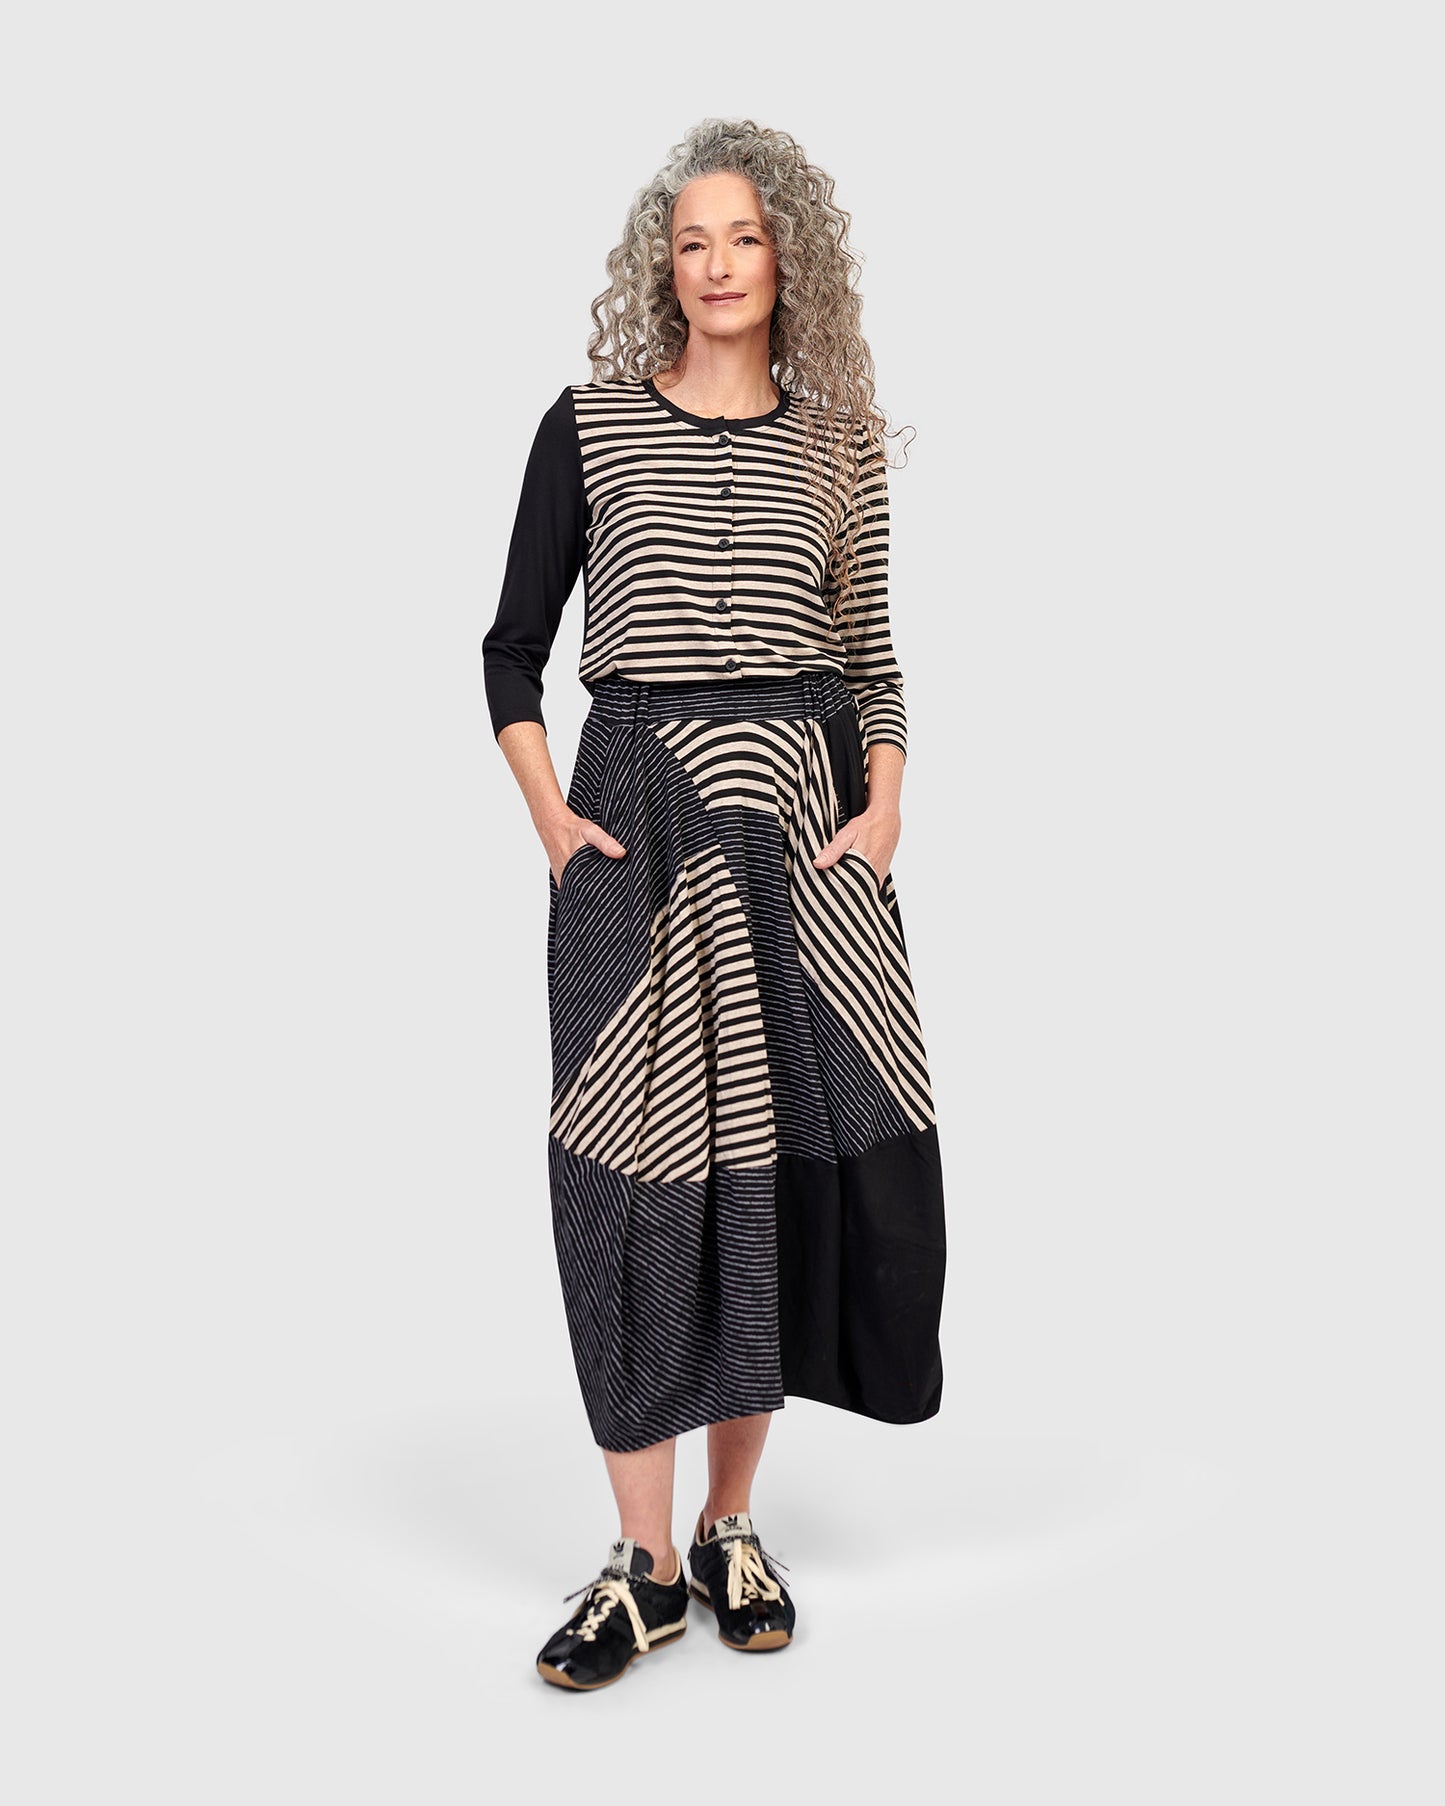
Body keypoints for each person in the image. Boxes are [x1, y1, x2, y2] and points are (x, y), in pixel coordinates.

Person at [481, 117, 947, 1691]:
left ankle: (730, 1524)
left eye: (743, 236)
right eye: (691, 241)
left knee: (772, 1174)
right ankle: (642, 1566)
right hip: (637, 828)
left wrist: (884, 804)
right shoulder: (590, 425)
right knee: (626, 1177)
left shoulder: (841, 446)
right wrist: (551, 817)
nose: (718, 263)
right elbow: (509, 648)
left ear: (785, 256)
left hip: (804, 852)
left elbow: (871, 656)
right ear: (660, 267)